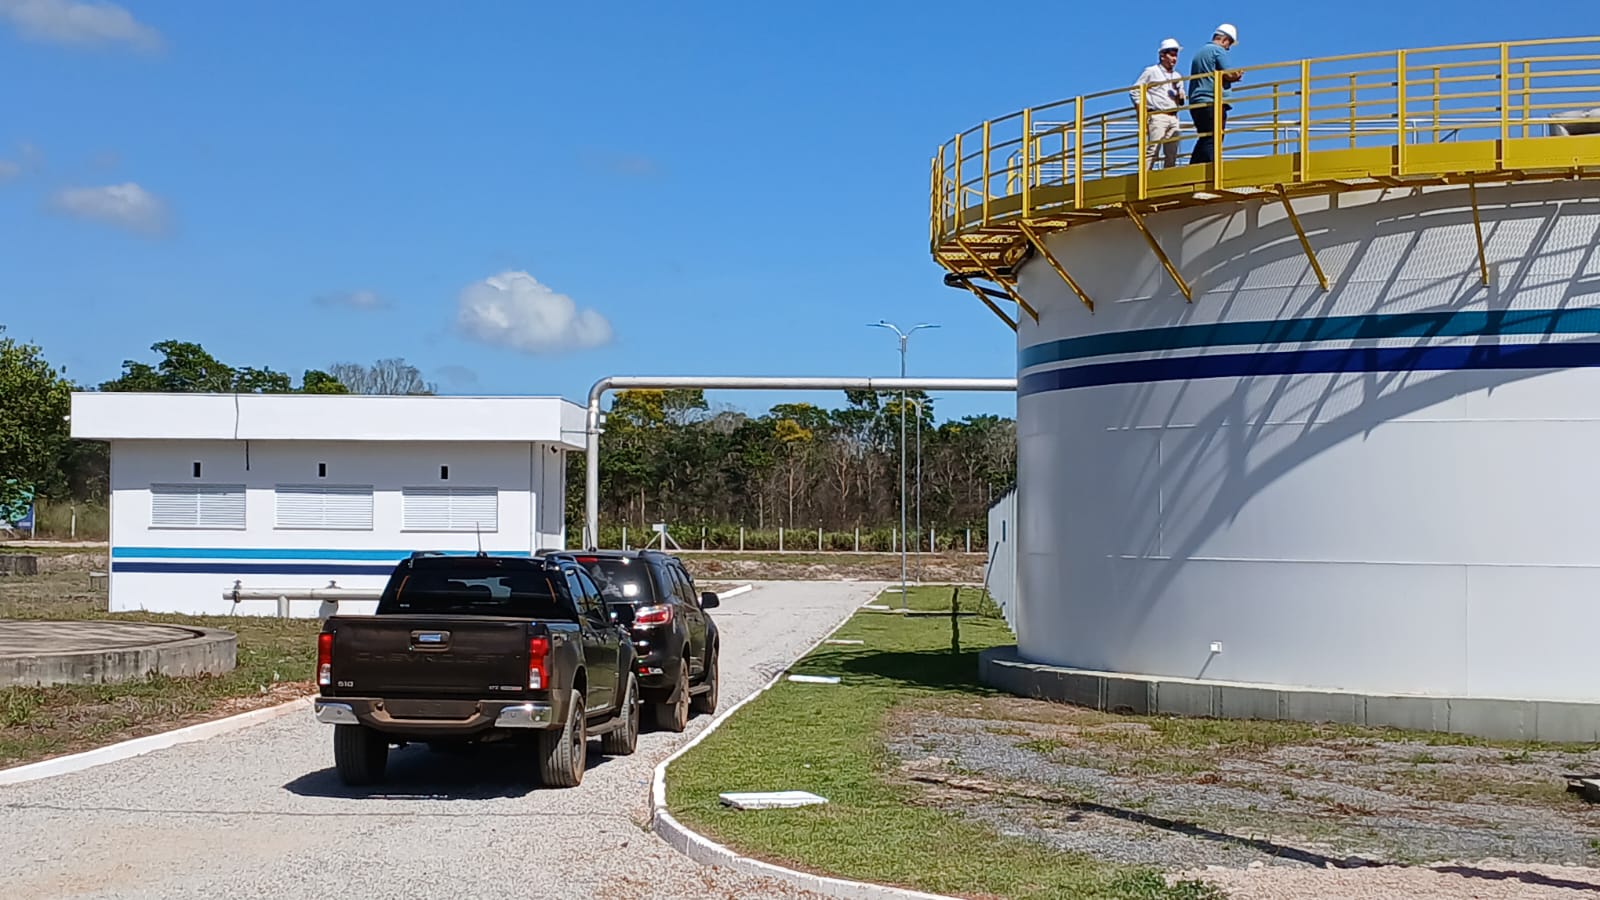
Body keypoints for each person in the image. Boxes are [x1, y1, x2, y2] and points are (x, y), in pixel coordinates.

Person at [1187, 23, 1242, 165]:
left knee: (1206, 136)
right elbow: (1229, 73)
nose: (1228, 48)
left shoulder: (1199, 53)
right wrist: (1236, 76)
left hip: (1196, 102)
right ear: (1224, 39)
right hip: (1213, 101)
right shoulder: (1218, 51)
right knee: (1214, 137)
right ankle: (1212, 167)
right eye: (1229, 43)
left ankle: (1194, 167)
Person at [1130, 38, 1187, 169]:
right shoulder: (1151, 71)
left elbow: (1182, 100)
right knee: (1153, 150)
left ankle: (1168, 181)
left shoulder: (1177, 76)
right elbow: (1135, 90)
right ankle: (1144, 179)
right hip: (1157, 115)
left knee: (1172, 153)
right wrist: (1141, 110)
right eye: (1171, 55)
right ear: (1162, 55)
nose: (1174, 58)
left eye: (1175, 55)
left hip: (1173, 116)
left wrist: (1180, 95)